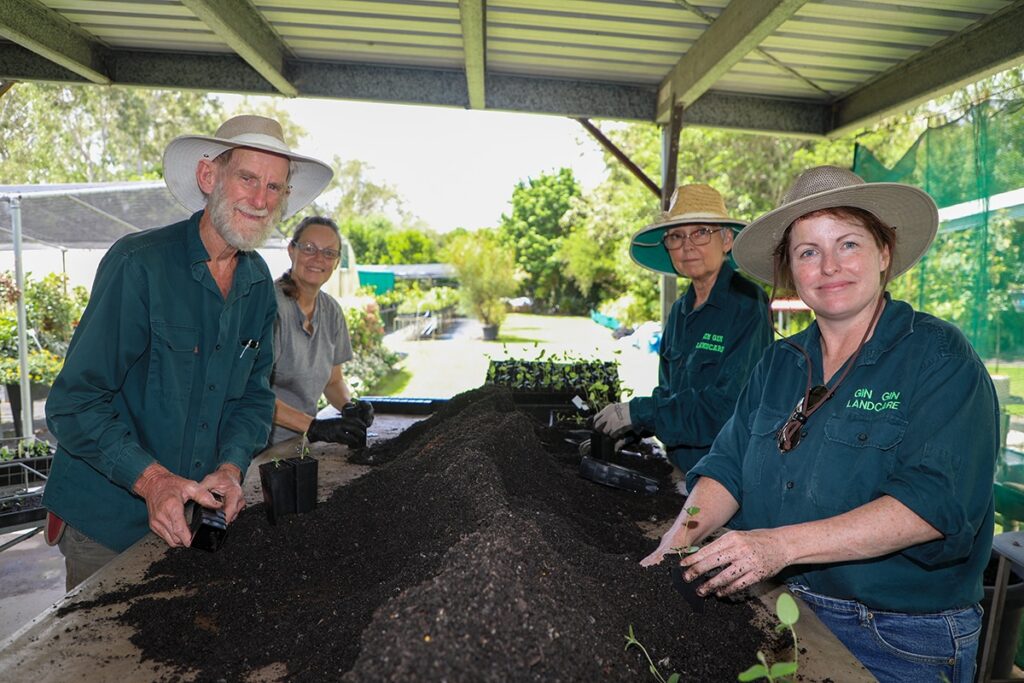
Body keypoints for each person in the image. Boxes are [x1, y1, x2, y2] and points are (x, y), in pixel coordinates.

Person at [641, 166, 998, 683]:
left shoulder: (938, 357)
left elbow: (936, 505)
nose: (829, 266)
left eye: (848, 244)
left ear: (884, 253)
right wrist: (673, 546)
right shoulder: (780, 364)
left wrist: (778, 546)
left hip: (898, 635)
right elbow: (727, 467)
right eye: (808, 251)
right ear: (790, 269)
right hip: (782, 605)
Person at [43, 115, 333, 590]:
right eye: (247, 178)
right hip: (109, 522)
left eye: (274, 187)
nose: (260, 200)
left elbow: (252, 398)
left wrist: (231, 466)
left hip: (194, 521)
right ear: (208, 177)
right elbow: (74, 404)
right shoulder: (139, 265)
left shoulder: (259, 284)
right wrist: (153, 481)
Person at [593, 184, 771, 475]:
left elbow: (729, 406)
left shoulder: (747, 304)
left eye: (701, 232)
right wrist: (633, 429)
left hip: (728, 476)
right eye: (676, 236)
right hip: (680, 469)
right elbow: (667, 392)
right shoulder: (679, 311)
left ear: (727, 240)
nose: (687, 246)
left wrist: (639, 413)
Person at [268, 215, 372, 447]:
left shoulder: (331, 311)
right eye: (309, 248)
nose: (318, 258)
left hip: (298, 443)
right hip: (258, 447)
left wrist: (349, 406)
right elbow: (251, 393)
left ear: (336, 262)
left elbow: (333, 382)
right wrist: (314, 427)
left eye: (328, 253)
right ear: (291, 251)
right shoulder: (270, 307)